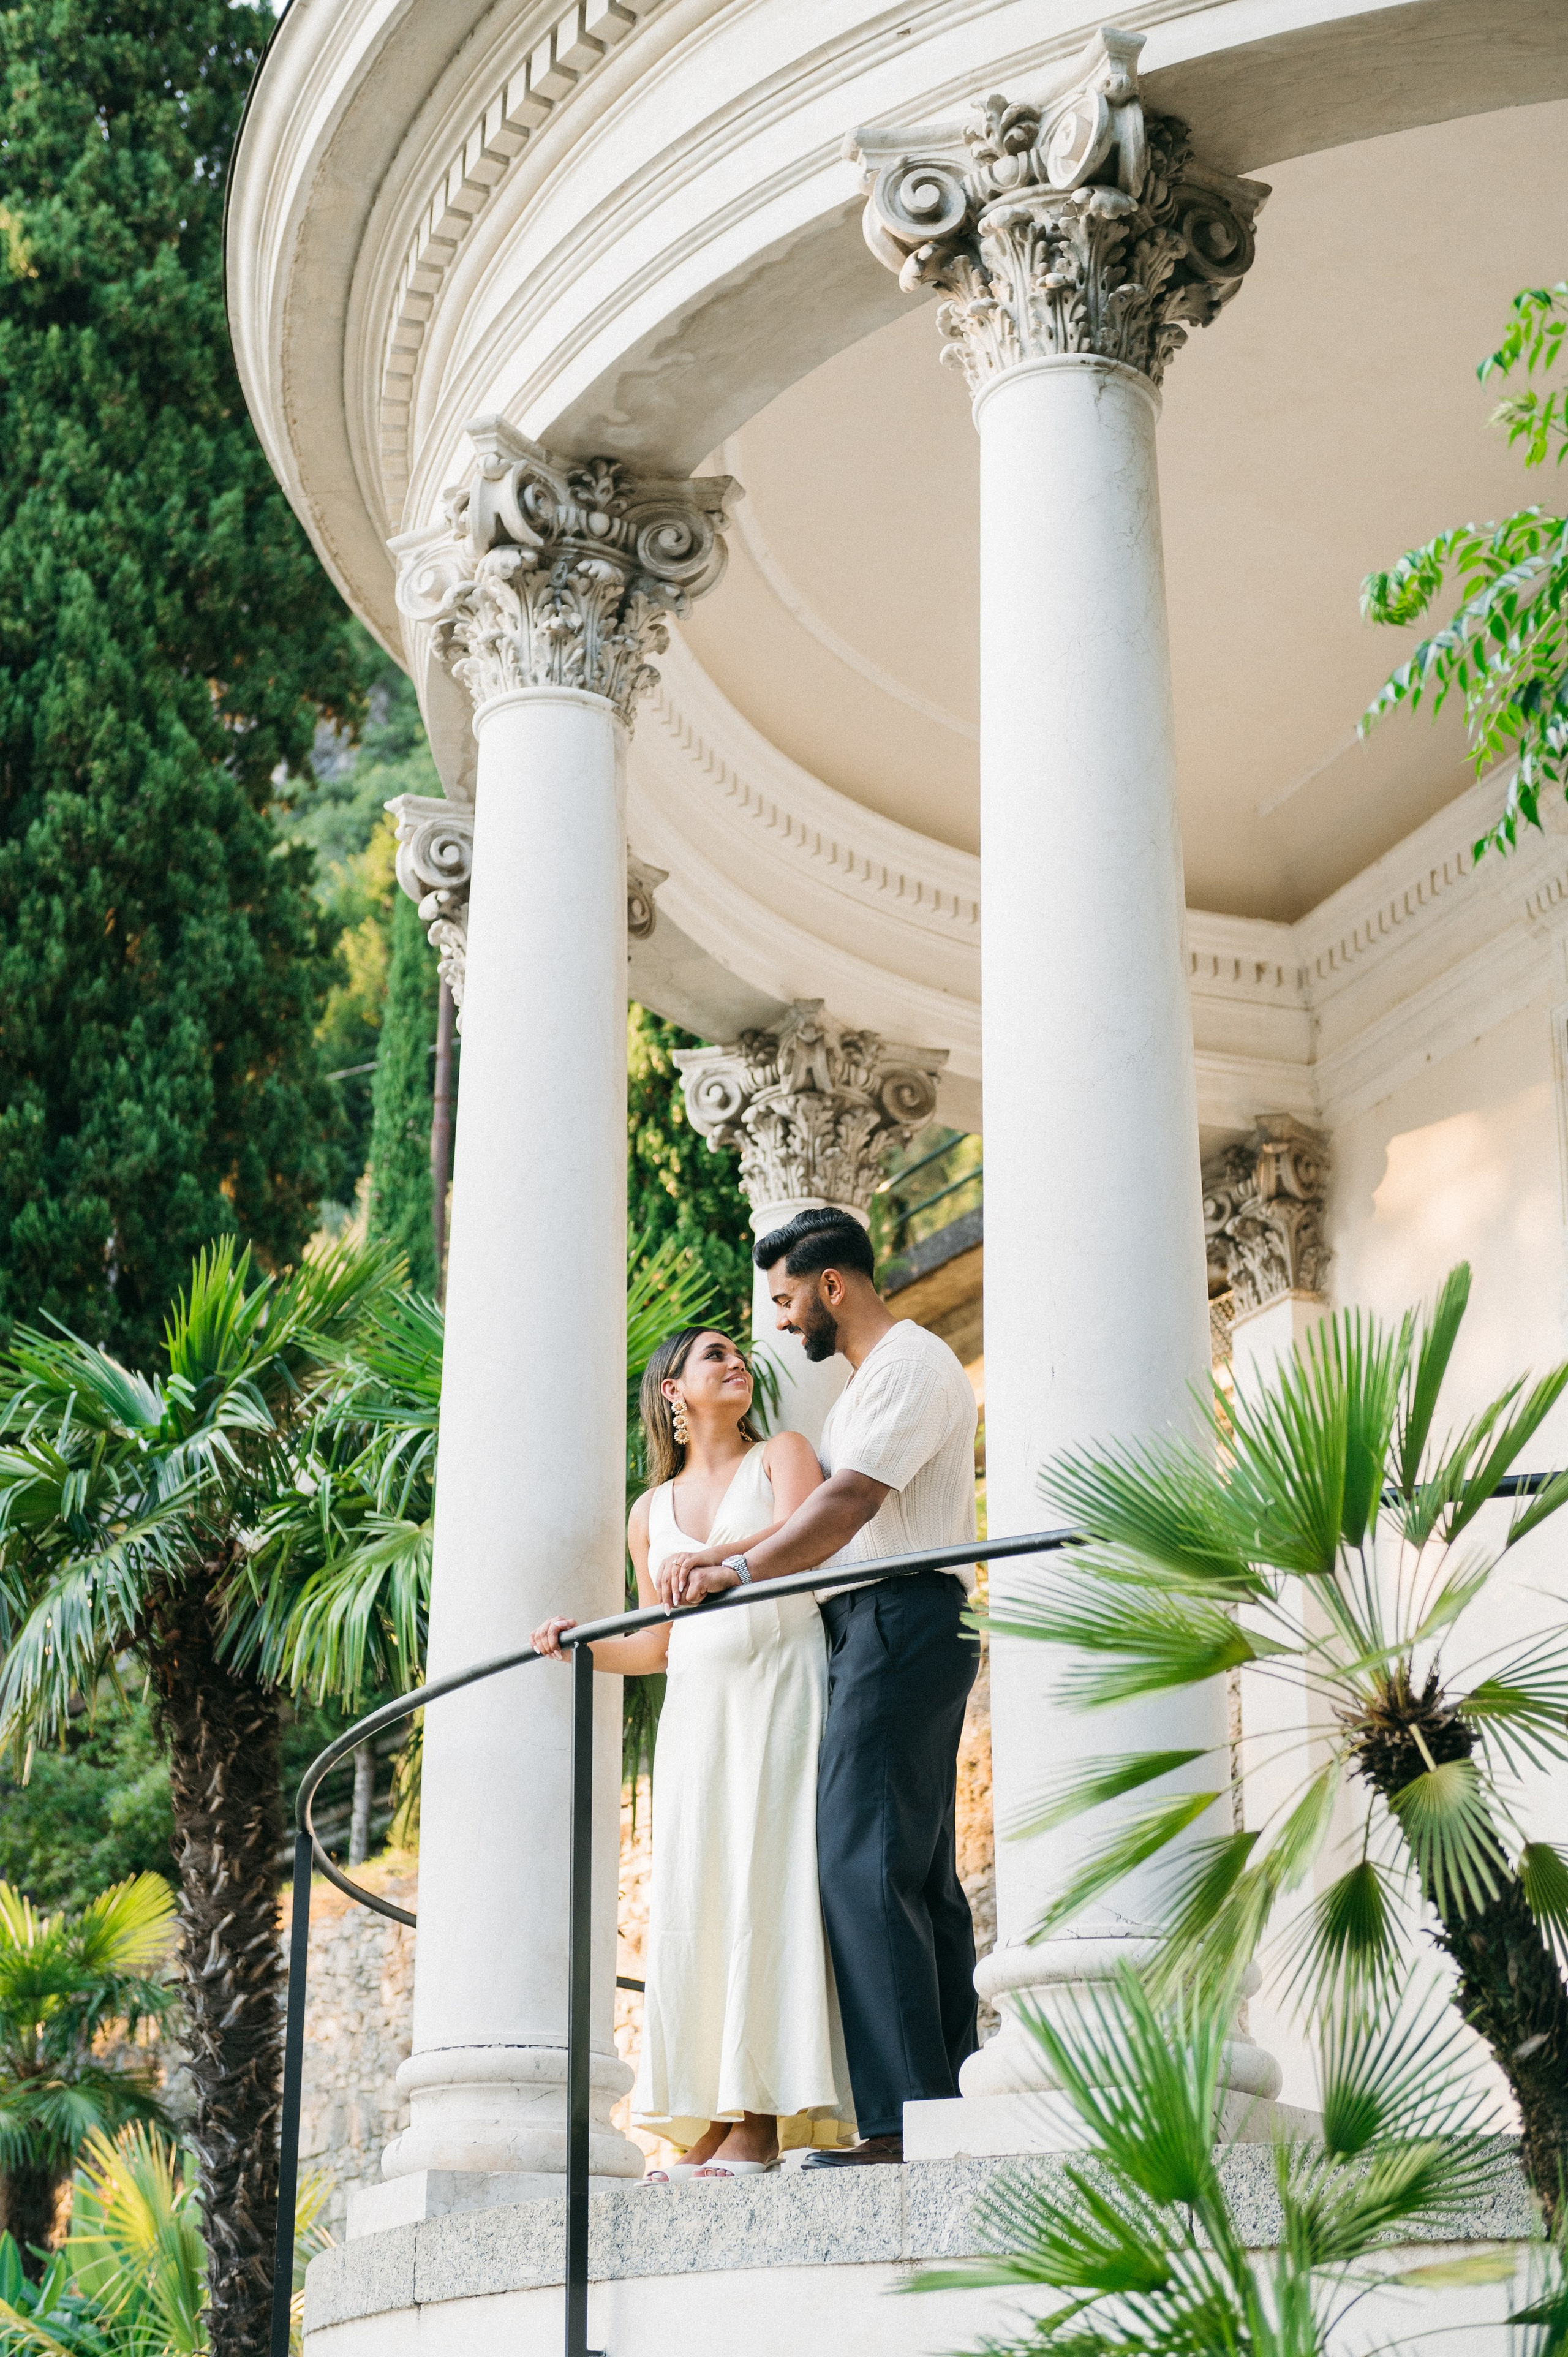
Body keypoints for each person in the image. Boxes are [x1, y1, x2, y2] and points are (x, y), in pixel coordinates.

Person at [657, 1207, 981, 2168]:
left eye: (791, 1300)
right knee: (920, 1878)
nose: (787, 1323)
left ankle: (897, 2122)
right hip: (894, 1622)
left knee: (858, 1865)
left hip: (899, 1617)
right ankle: (945, 2102)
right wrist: (727, 1555)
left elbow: (845, 1507)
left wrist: (740, 1572)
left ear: (832, 1286)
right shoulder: (869, 1386)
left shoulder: (908, 1366)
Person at [531, 1324, 854, 2179]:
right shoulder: (649, 1514)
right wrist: (583, 1644)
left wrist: (719, 1558)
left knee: (767, 1887)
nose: (735, 1361)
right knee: (700, 1900)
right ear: (671, 1390)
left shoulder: (784, 1454)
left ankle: (762, 2119)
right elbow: (659, 1644)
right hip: (699, 1717)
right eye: (713, 1355)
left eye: (737, 1352)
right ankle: (711, 2114)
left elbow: (803, 1551)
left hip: (780, 1692)